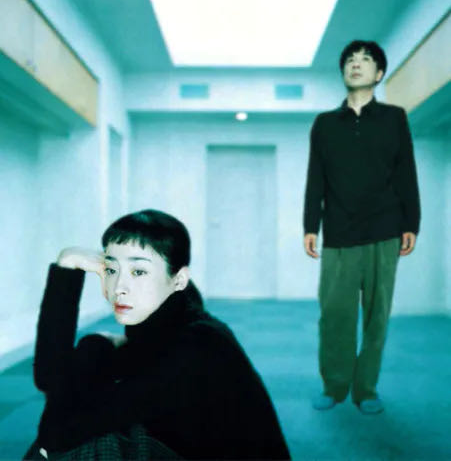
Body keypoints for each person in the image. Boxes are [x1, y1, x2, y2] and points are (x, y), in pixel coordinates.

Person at [25, 209, 290, 460]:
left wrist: (96, 346)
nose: (119, 288)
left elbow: (55, 435)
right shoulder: (167, 323)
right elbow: (48, 378)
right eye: (111, 270)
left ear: (179, 280)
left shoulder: (196, 348)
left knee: (92, 443)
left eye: (138, 272)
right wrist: (68, 264)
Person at [303, 40, 420, 415]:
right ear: (343, 72)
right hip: (339, 232)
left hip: (385, 229)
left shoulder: (394, 118)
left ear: (379, 73)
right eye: (350, 60)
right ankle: (334, 385)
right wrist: (310, 225)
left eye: (366, 60)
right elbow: (316, 177)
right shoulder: (324, 124)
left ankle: (366, 390)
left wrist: (411, 222)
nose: (356, 64)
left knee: (376, 315)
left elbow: (406, 172)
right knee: (334, 315)